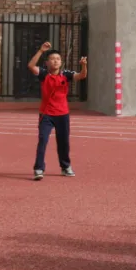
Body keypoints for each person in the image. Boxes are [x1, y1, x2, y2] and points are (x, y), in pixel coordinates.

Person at [27, 42, 87, 181]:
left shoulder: (66, 75)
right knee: (43, 140)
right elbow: (31, 66)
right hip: (46, 114)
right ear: (47, 63)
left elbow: (82, 76)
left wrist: (84, 65)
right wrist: (41, 51)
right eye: (52, 59)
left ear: (61, 62)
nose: (55, 61)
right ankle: (39, 168)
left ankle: (65, 167)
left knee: (63, 142)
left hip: (62, 114)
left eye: (58, 59)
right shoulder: (43, 74)